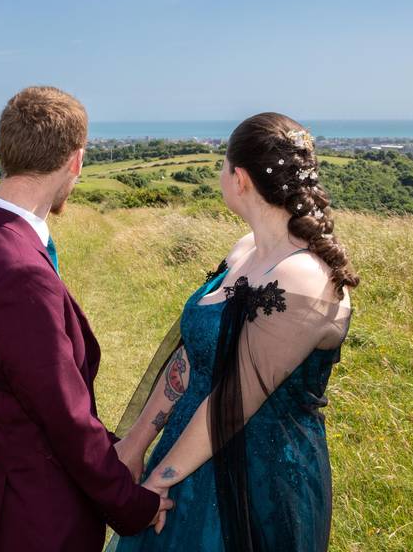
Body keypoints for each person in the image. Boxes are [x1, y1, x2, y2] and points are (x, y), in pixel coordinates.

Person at [108, 112, 359, 551]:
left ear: (238, 177)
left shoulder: (303, 278)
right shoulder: (244, 250)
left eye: (223, 166)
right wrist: (135, 445)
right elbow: (192, 355)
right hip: (185, 447)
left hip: (257, 481)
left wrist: (159, 482)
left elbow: (232, 403)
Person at [0, 86, 172, 552]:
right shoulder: (20, 270)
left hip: (5, 501)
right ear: (76, 161)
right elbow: (63, 419)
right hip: (38, 519)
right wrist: (132, 504)